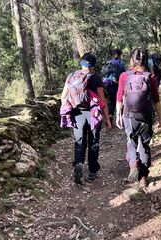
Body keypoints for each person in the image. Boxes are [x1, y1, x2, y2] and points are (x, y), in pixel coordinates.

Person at [61, 52, 112, 184]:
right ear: (94, 65)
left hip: (77, 114)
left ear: (81, 64)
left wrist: (68, 110)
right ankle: (92, 171)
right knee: (93, 142)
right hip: (93, 115)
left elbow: (63, 97)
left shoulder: (72, 76)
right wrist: (107, 118)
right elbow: (102, 100)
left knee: (79, 142)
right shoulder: (95, 78)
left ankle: (78, 165)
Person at [115, 48, 161, 187]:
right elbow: (156, 99)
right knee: (144, 144)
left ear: (132, 59)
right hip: (146, 115)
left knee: (131, 141)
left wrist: (118, 114)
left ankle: (133, 165)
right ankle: (143, 177)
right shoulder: (150, 77)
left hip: (129, 115)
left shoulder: (124, 76)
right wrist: (160, 117)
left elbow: (119, 96)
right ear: (146, 60)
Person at [101, 49, 127, 124]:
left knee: (111, 101)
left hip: (107, 84)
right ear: (120, 55)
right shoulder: (121, 63)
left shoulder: (108, 62)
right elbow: (124, 74)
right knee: (120, 99)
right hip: (117, 84)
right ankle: (122, 118)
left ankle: (110, 116)